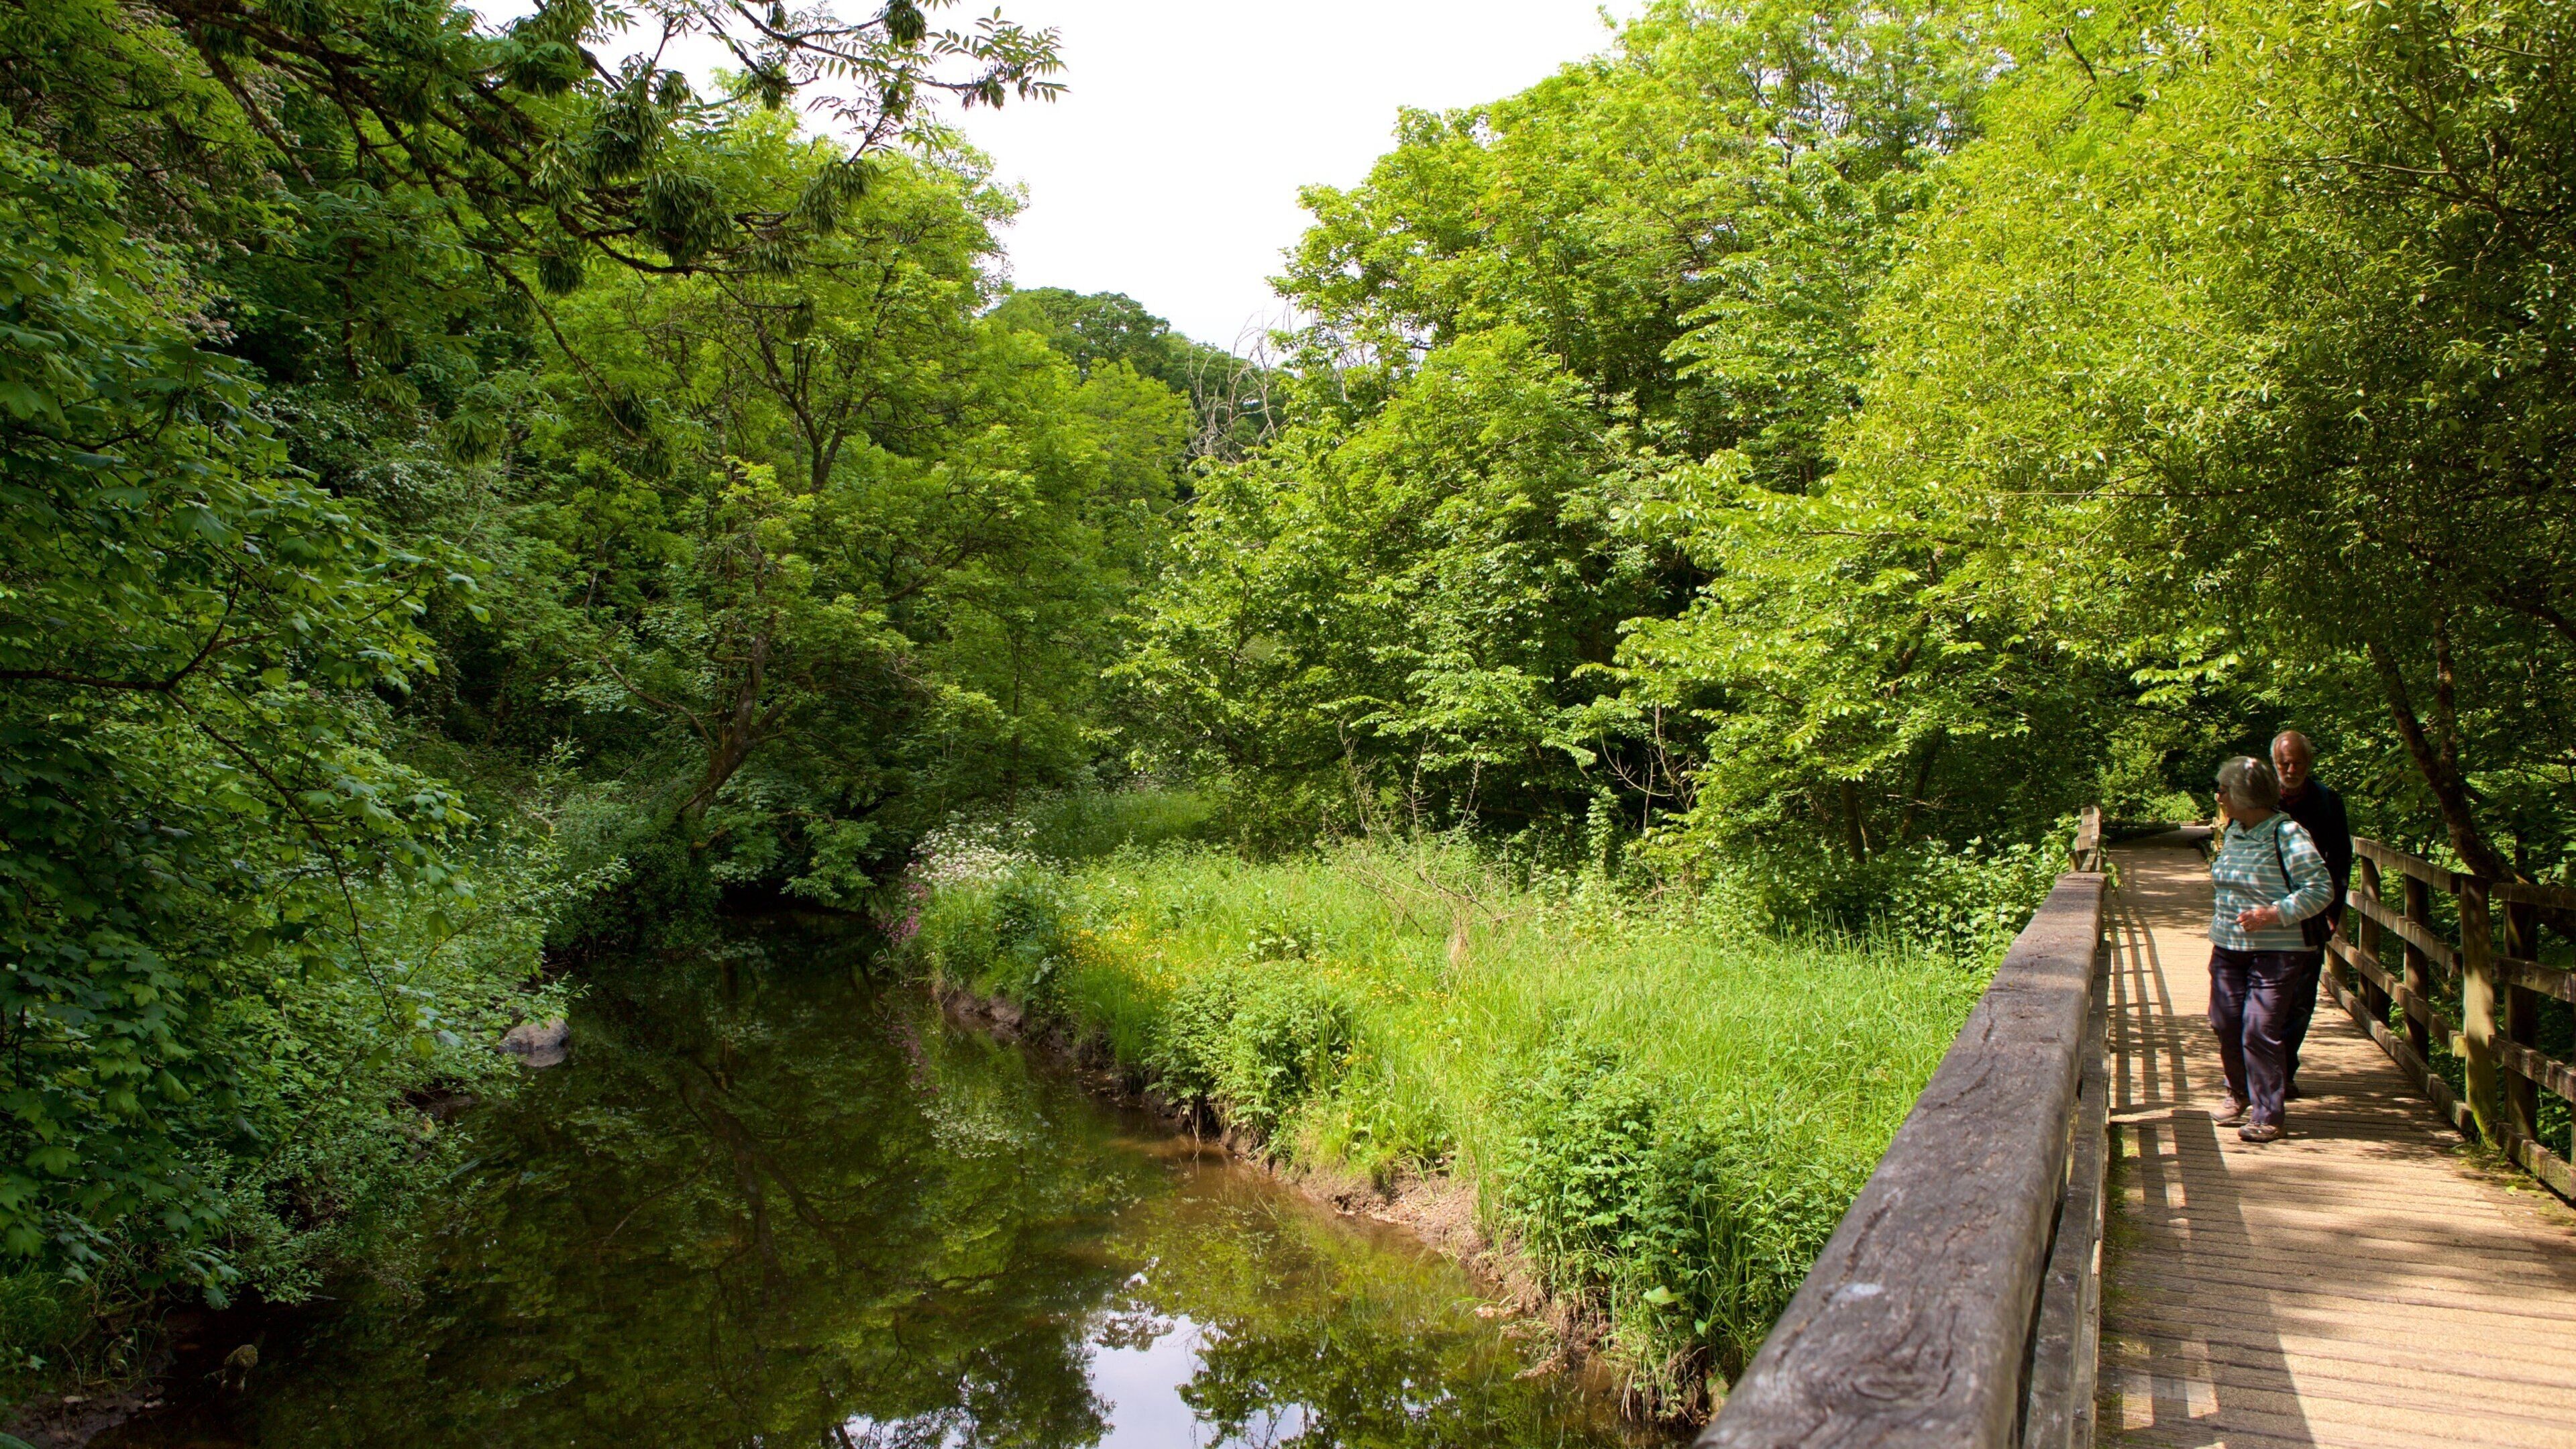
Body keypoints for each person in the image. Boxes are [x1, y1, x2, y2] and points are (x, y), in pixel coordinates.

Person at [2206, 755, 2336, 1142]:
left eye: (2224, 790)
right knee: (2224, 1021)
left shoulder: (2289, 835)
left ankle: (2268, 1114)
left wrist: (2273, 913)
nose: (2219, 796)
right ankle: (2239, 1092)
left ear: (2246, 794)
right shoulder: (2235, 832)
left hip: (2279, 950)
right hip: (2229, 946)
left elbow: (2320, 889)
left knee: (2259, 1027)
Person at [2270, 731, 2351, 1100]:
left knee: (2300, 997)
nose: (2291, 769)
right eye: (2284, 763)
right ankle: (2261, 1071)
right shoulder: (2260, 798)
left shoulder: (2328, 802)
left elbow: (2341, 859)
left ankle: (2284, 1071)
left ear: (2309, 763)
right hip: (2265, 913)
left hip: (2311, 914)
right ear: (2274, 763)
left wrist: (2334, 912)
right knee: (2262, 996)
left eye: (2298, 762)